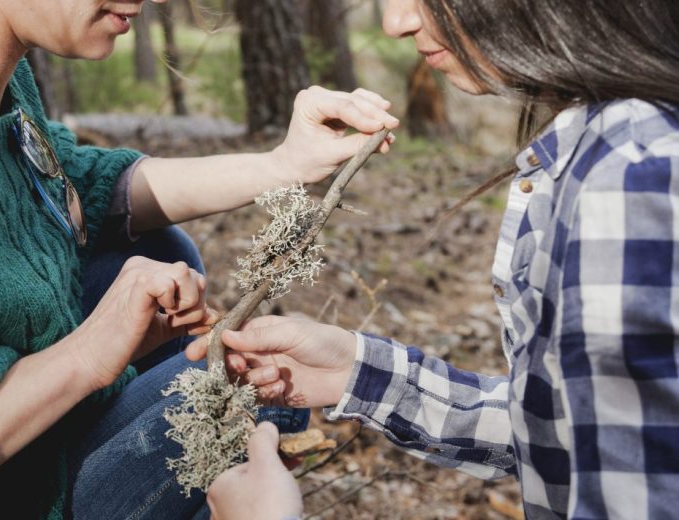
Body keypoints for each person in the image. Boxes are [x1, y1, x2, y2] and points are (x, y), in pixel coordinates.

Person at [0, 0, 400, 518]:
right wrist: (88, 356)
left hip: (45, 436)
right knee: (253, 389)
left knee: (171, 265)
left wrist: (284, 165)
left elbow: (66, 184)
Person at [192, 0, 679, 518]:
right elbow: (567, 434)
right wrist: (358, 374)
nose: (395, 22)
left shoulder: (628, 178)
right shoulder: (605, 147)